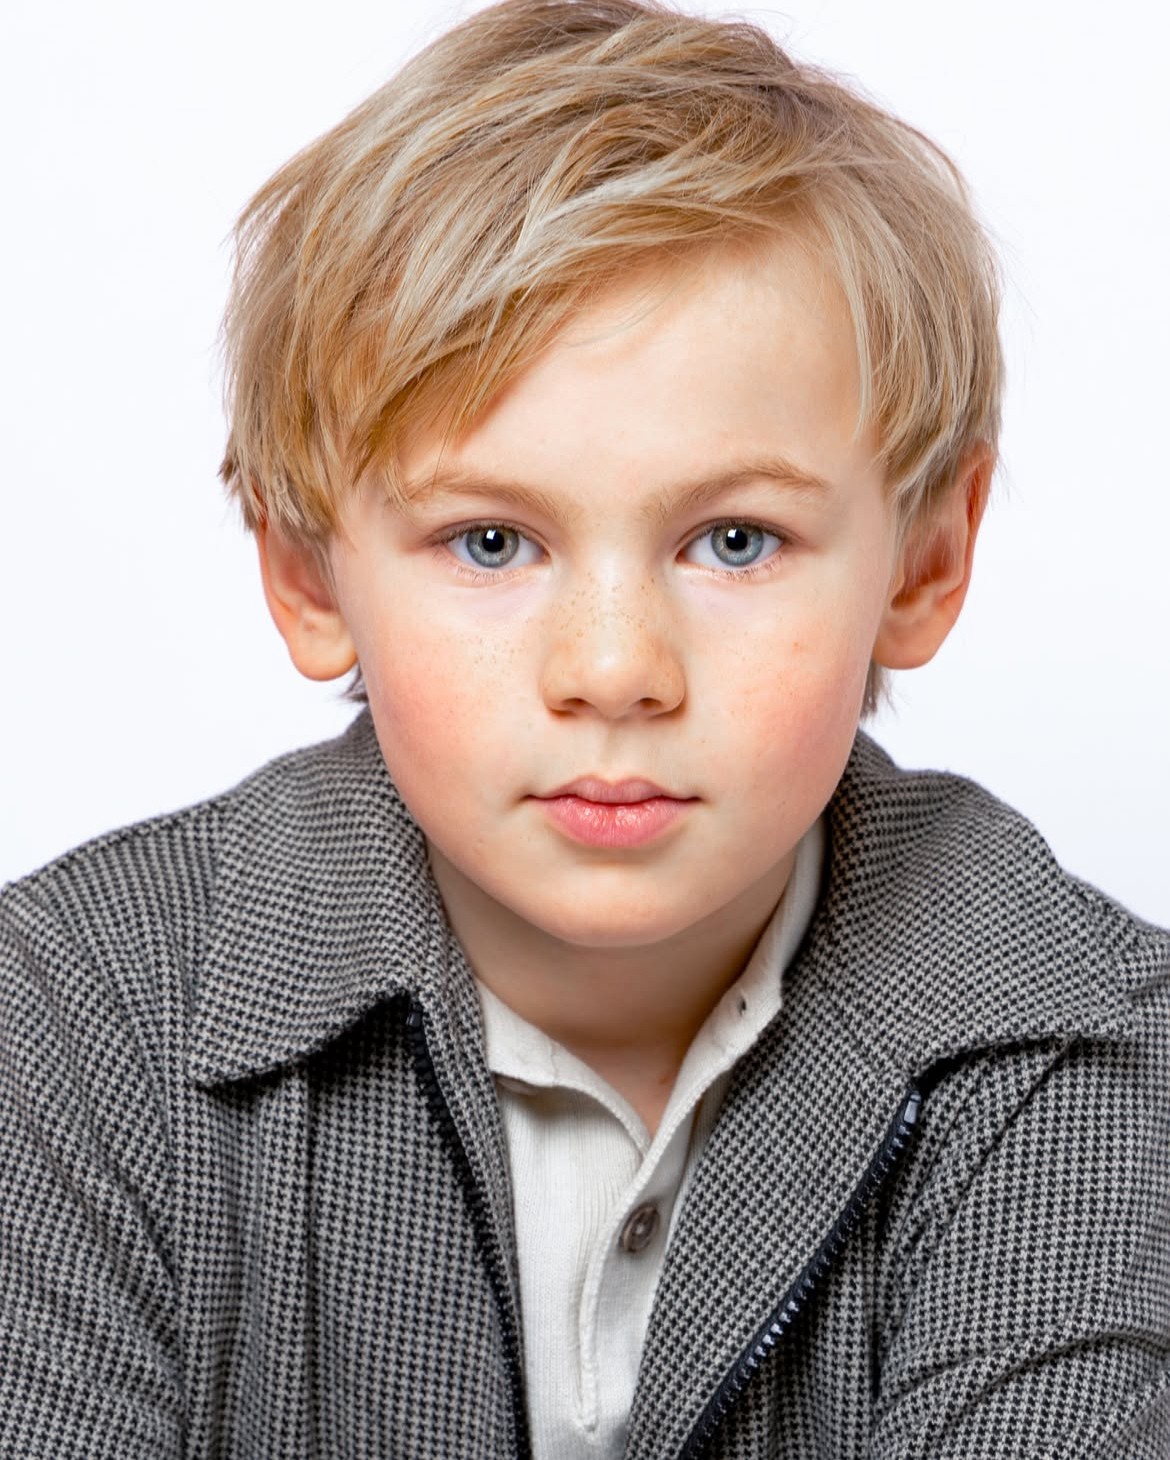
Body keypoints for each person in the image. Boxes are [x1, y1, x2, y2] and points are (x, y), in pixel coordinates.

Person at [1, 0, 1167, 1454]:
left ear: (924, 562)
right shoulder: (74, 1022)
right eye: (491, 543)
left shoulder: (1086, 1042)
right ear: (308, 578)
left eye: (734, 541)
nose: (615, 672)